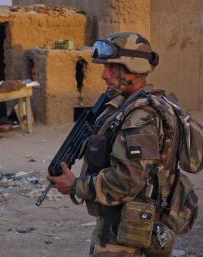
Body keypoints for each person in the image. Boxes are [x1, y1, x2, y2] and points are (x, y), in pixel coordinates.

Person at [47, 32, 180, 257]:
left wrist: (76, 185)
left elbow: (128, 181)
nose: (104, 75)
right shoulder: (129, 106)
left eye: (112, 68)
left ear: (132, 68)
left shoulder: (141, 118)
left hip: (128, 235)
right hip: (126, 224)